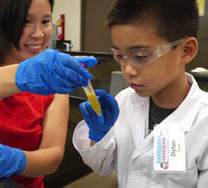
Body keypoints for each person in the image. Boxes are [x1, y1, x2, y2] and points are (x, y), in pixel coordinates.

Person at [0, 0, 97, 187]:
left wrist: (15, 160)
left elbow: (53, 156)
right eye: (25, 21)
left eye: (45, 21)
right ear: (0, 21)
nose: (38, 33)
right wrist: (22, 75)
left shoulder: (52, 88)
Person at [73, 0, 208, 187]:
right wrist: (98, 136)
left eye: (140, 56)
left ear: (186, 50)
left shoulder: (204, 120)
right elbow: (102, 168)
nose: (127, 70)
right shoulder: (124, 101)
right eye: (119, 56)